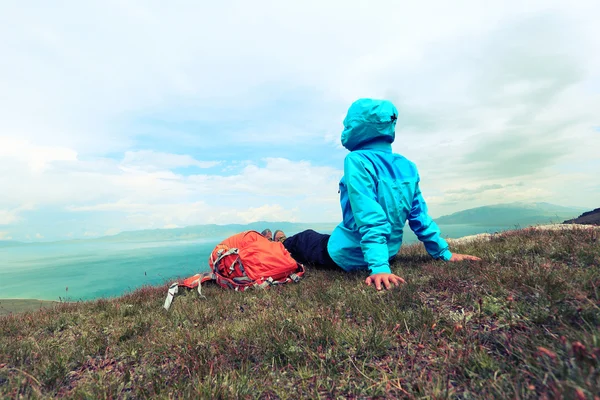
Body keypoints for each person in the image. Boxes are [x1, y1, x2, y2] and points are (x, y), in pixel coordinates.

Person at [265, 98, 481, 291]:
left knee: (304, 239)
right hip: (387, 252)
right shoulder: (408, 166)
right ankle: (281, 242)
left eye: (348, 124)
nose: (345, 129)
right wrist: (444, 253)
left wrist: (379, 267)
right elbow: (420, 218)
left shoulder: (357, 160)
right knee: (321, 238)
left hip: (347, 256)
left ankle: (277, 245)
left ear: (359, 127)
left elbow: (369, 215)